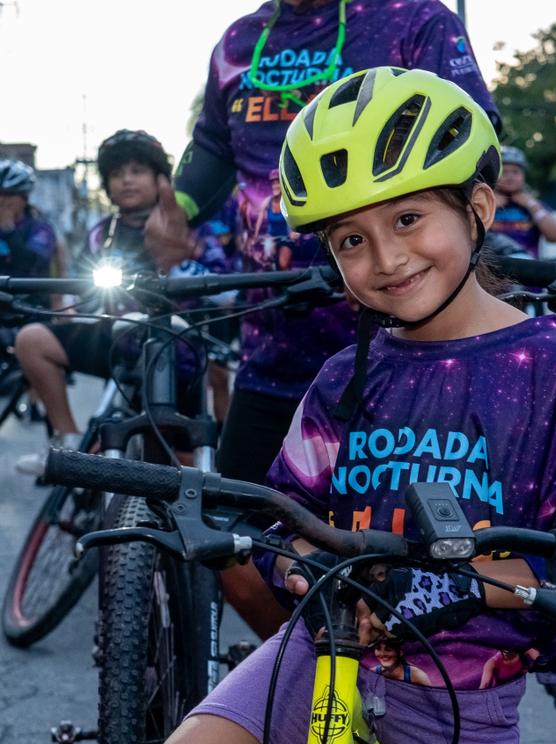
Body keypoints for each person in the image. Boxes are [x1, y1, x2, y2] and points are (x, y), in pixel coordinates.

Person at [136, 68, 556, 744]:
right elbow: (286, 513)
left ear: (479, 207)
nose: (386, 258)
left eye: (409, 218)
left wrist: (457, 582)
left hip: (461, 692)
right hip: (325, 656)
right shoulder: (343, 376)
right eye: (351, 240)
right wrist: (302, 565)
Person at [142, 0, 499, 639]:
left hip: (401, 355)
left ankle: (388, 676)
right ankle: (310, 670)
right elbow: (214, 147)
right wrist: (176, 212)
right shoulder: (239, 41)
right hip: (273, 343)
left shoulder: (413, 19)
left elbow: (465, 134)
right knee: (232, 546)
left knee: (414, 561)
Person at [12, 130, 228, 473]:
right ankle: (67, 442)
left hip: (179, 347)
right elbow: (81, 287)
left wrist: (178, 264)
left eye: (137, 171)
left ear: (160, 178)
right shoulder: (102, 233)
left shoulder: (188, 225)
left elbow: (224, 286)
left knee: (180, 464)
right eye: (117, 173)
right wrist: (77, 302)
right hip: (118, 338)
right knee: (31, 339)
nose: (126, 180)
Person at [0, 160, 58, 282]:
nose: (1, 200)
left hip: (29, 292)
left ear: (24, 198)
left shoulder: (40, 228)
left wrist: (8, 231)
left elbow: (33, 264)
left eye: (8, 195)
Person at [490, 146, 556, 257]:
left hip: (526, 264)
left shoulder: (534, 205)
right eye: (504, 172)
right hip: (491, 265)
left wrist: (532, 206)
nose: (510, 177)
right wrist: (490, 207)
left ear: (523, 175)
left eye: (515, 172)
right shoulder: (484, 204)